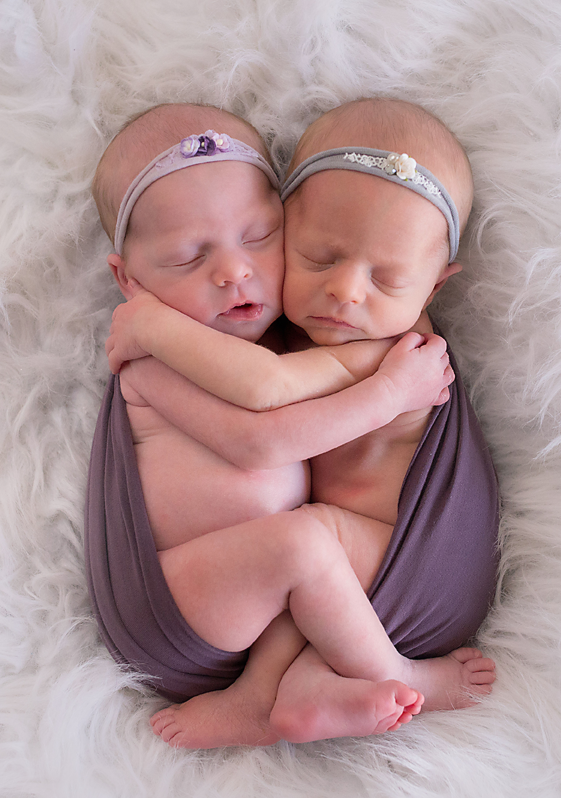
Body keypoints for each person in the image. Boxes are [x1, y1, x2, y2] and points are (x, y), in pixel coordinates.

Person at [85, 102, 494, 749]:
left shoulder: (387, 345)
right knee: (300, 545)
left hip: (389, 570)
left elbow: (267, 404)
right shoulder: (151, 360)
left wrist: (390, 390)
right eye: (190, 256)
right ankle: (321, 683)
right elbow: (257, 434)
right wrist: (155, 327)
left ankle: (295, 686)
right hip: (188, 602)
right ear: (127, 278)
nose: (234, 271)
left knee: (302, 544)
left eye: (256, 238)